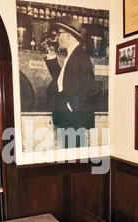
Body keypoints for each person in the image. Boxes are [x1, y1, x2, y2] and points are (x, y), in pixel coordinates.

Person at [44, 15, 98, 148]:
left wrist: (71, 107)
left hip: (74, 118)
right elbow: (61, 81)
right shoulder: (72, 55)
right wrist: (51, 56)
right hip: (68, 117)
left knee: (74, 159)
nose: (57, 38)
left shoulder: (80, 56)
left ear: (69, 35)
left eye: (59, 34)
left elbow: (90, 87)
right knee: (68, 157)